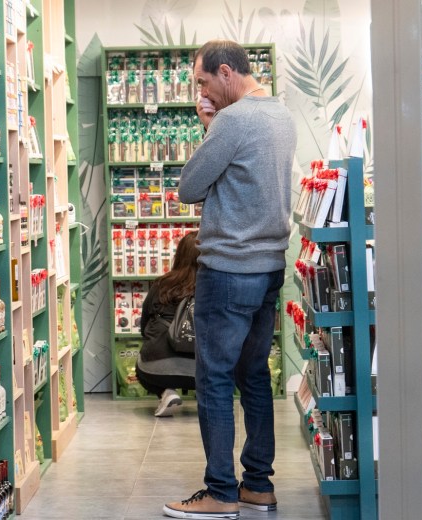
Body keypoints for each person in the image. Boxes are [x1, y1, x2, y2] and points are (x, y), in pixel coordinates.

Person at [162, 40, 296, 520]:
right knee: (253, 374)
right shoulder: (281, 114)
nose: (202, 93)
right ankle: (257, 486)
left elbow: (188, 187)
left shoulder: (233, 121)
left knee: (214, 379)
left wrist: (209, 127)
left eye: (203, 82)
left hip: (228, 269)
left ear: (225, 72)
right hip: (269, 266)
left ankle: (220, 492)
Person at [136, 231, 199, 417]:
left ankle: (166, 392)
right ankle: (207, 396)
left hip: (156, 368)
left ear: (179, 255)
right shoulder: (211, 286)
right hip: (204, 370)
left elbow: (144, 325)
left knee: (141, 366)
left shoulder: (161, 284)